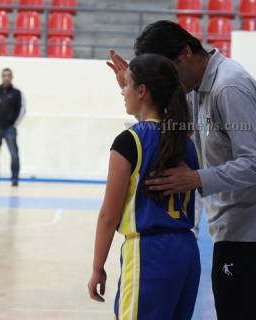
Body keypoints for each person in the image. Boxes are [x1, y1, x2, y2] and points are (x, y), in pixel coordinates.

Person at [107, 21, 256, 320]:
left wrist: (196, 178)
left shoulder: (229, 87)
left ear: (186, 52)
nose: (168, 82)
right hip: (233, 229)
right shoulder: (195, 89)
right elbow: (166, 125)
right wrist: (135, 89)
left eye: (168, 71)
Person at [88, 54, 201, 320]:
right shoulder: (185, 142)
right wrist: (131, 84)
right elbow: (155, 132)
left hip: (149, 255)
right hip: (186, 253)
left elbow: (108, 216)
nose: (122, 91)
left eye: (127, 85)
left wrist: (97, 267)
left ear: (142, 91)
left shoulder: (129, 142)